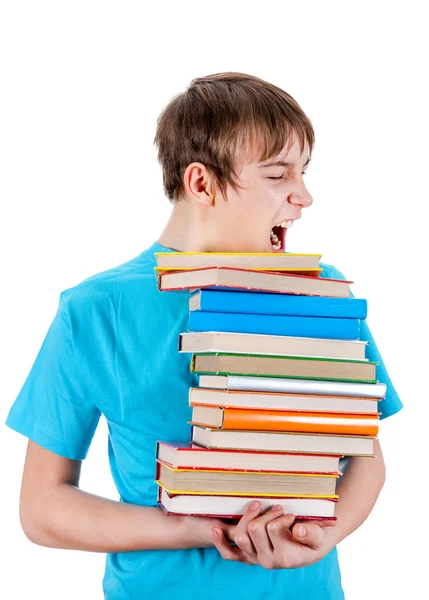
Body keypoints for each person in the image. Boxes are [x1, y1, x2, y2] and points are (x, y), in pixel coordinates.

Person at [6, 72, 402, 600]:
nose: (303, 196)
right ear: (201, 183)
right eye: (278, 175)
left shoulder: (322, 291)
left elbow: (365, 457)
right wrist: (199, 529)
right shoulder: (95, 311)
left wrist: (321, 538)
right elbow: (42, 508)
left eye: (303, 171)